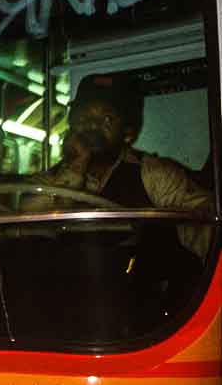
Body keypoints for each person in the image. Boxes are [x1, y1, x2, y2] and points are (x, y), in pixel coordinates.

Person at [35, 72, 212, 258]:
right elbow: (28, 228)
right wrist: (75, 168)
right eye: (83, 116)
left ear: (128, 132)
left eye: (107, 119)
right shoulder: (48, 181)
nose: (92, 126)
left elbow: (203, 223)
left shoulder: (153, 175)